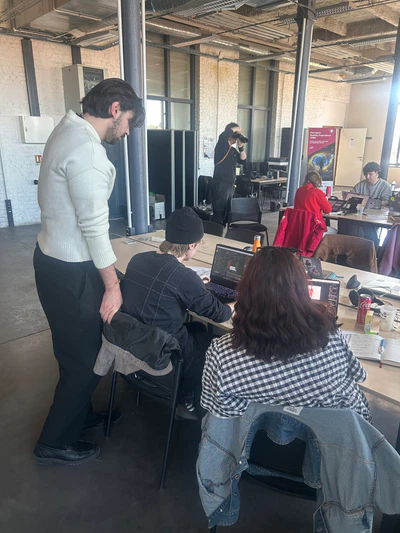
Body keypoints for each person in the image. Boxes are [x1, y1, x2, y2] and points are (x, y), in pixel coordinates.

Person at [33, 78, 145, 465]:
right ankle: (54, 442)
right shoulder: (89, 152)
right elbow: (94, 228)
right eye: (129, 122)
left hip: (51, 259)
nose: (127, 132)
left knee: (71, 353)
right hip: (72, 269)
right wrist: (112, 286)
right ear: (115, 109)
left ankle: (79, 416)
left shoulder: (66, 129)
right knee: (84, 360)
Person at [201, 247, 371, 422]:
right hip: (337, 435)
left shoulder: (222, 354)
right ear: (303, 288)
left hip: (258, 436)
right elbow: (360, 376)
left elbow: (217, 414)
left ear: (245, 290)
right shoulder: (330, 335)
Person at [121, 207, 233, 419]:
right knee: (214, 346)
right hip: (166, 351)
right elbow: (220, 314)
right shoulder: (183, 276)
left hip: (137, 341)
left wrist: (194, 285)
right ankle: (186, 397)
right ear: (192, 245)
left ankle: (183, 386)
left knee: (198, 327)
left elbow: (166, 283)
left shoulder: (137, 259)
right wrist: (235, 304)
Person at [211, 122, 247, 225]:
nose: (236, 137)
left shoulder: (232, 150)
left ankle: (223, 231)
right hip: (220, 184)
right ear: (230, 133)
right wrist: (237, 129)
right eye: (235, 134)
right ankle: (215, 232)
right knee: (219, 213)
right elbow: (223, 135)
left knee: (226, 214)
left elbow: (243, 160)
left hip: (230, 185)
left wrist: (241, 146)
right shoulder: (222, 145)